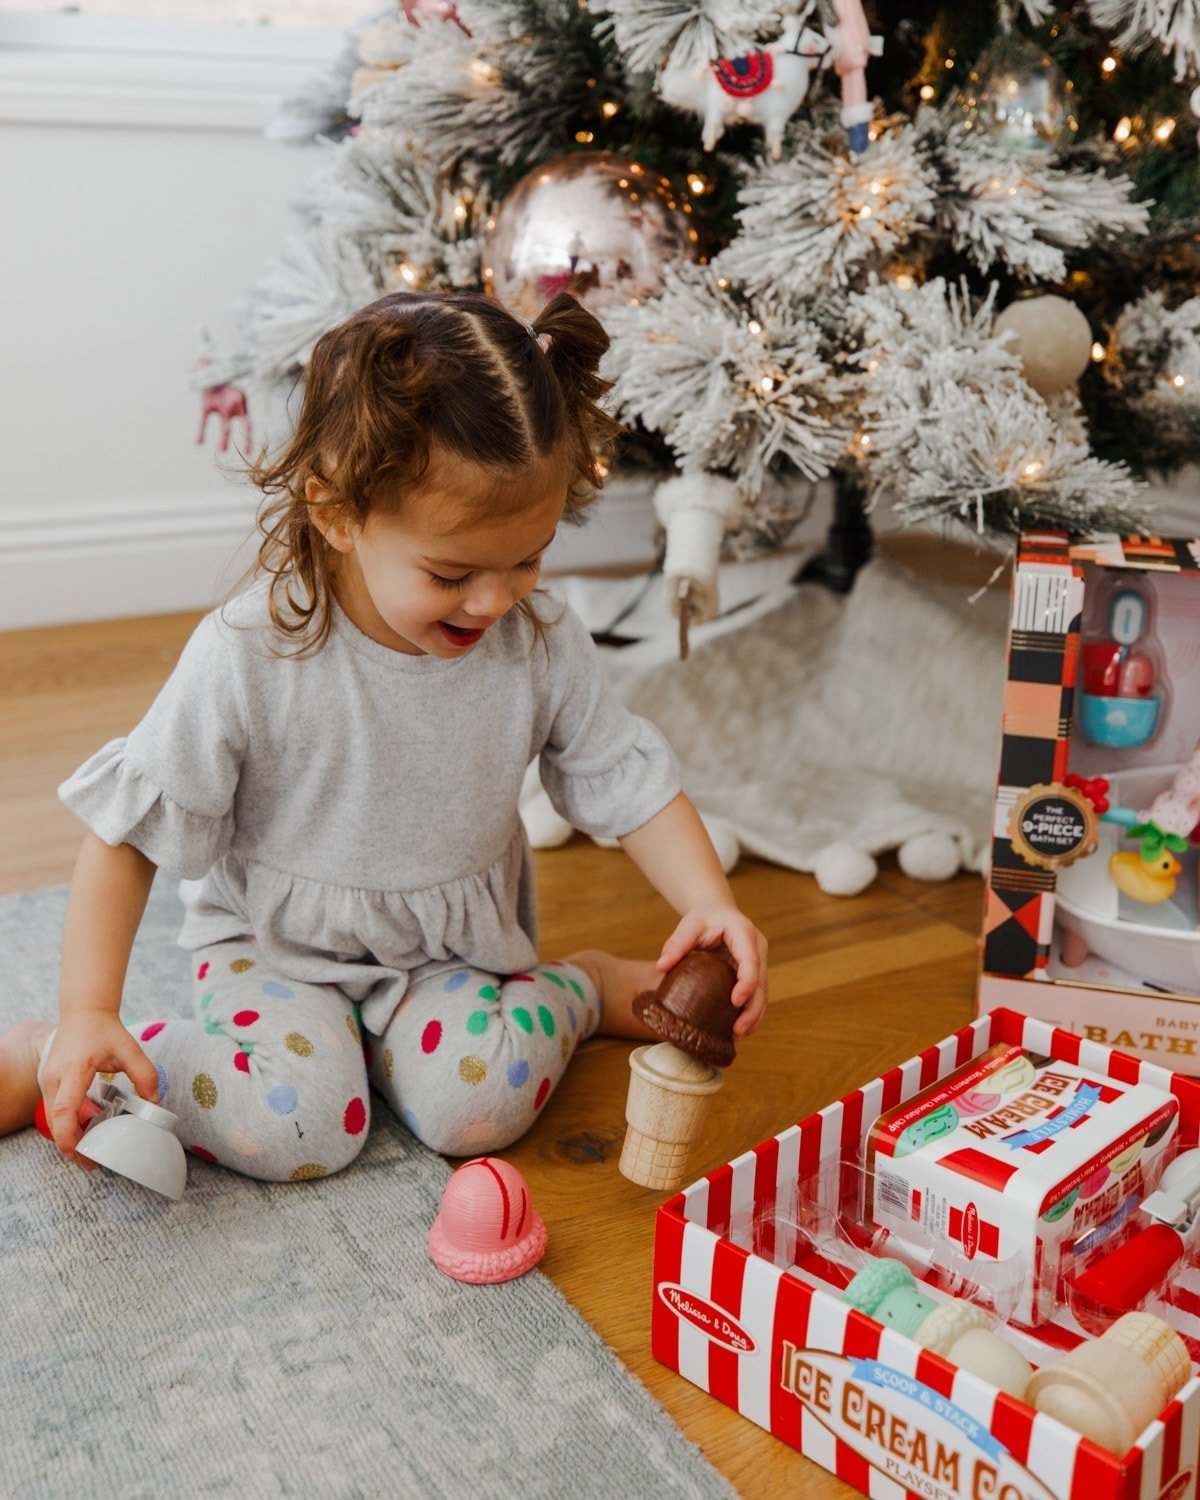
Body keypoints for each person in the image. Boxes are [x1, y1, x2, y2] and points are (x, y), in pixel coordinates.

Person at [0, 289, 768, 1183]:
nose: (495, 600)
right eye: (451, 573)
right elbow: (127, 837)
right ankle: (47, 1052)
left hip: (450, 951)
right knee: (305, 1129)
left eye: (528, 557)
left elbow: (626, 781)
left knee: (476, 1109)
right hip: (274, 946)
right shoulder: (247, 655)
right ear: (336, 512)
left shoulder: (541, 643)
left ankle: (583, 988)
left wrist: (709, 904)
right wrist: (90, 1009)